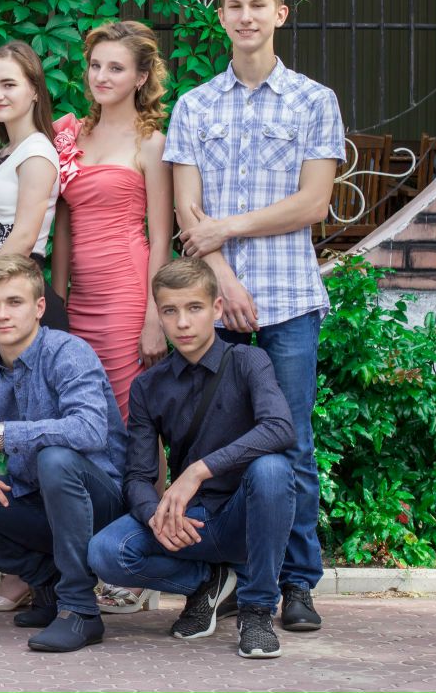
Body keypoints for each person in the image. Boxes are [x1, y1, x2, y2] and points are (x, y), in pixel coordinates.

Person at [165, 0, 344, 632]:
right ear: (221, 17)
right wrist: (225, 281)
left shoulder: (313, 100)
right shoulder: (195, 105)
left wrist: (229, 228)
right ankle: (220, 578)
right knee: (210, 445)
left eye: (257, 5)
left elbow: (313, 202)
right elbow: (187, 210)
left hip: (289, 302)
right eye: (234, 6)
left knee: (288, 444)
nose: (246, 16)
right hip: (217, 304)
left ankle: (296, 584)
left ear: (279, 14)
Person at [88, 257, 296, 659]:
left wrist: (198, 471)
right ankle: (205, 581)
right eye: (170, 311)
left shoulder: (249, 361)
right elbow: (137, 476)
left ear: (216, 309)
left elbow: (280, 428)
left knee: (272, 469)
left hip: (242, 518)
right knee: (105, 551)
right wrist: (155, 515)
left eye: (194, 308)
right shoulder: (149, 386)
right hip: (189, 523)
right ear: (159, 315)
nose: (182, 323)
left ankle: (256, 612)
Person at [0, 254, 127, 653]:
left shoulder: (69, 352)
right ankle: (45, 580)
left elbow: (89, 429)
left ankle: (80, 609)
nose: (2, 315)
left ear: (39, 307)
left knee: (55, 458)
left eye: (14, 302)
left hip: (98, 505)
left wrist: (3, 434)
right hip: (35, 503)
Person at [50, 20, 174, 613]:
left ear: (142, 77)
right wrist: (55, 302)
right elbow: (62, 225)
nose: (102, 76)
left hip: (128, 292)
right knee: (82, 418)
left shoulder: (152, 142)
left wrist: (154, 314)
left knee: (132, 423)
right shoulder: (69, 135)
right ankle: (91, 551)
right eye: (96, 65)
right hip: (80, 300)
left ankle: (139, 554)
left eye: (116, 68)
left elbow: (162, 235)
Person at [0, 40, 71, 613]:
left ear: (34, 89)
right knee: (3, 428)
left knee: (28, 435)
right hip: (1, 293)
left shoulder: (36, 152)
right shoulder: (4, 152)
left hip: (22, 296)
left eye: (8, 84)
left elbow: (26, 233)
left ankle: (35, 572)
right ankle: (24, 567)